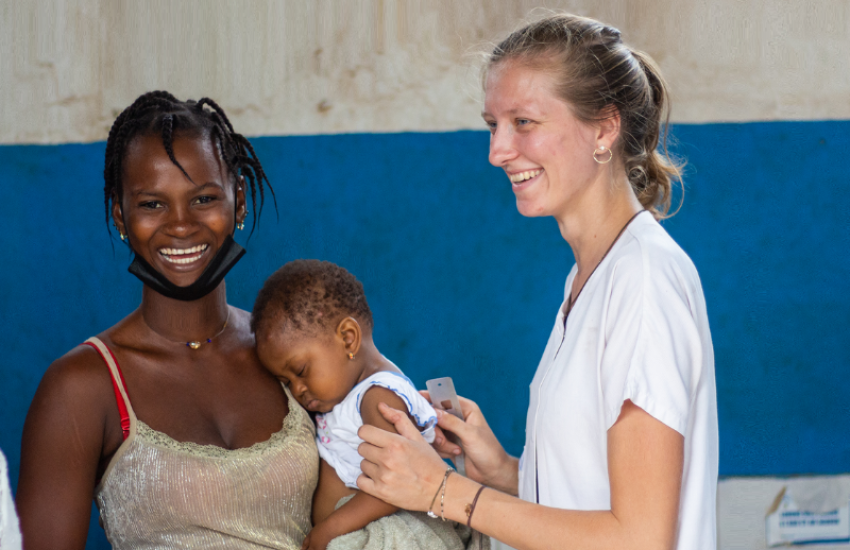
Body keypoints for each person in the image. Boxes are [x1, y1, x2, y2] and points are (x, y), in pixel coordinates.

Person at [355, 13, 718, 550]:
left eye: (523, 122)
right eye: (493, 125)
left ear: (604, 128)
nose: (497, 150)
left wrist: (443, 491)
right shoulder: (589, 276)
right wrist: (500, 469)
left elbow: (639, 537)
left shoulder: (642, 283)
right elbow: (587, 499)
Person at [16, 91, 318, 549]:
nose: (180, 224)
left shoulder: (291, 353)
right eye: (152, 204)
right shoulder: (81, 385)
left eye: (203, 198)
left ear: (238, 204)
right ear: (121, 216)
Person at [251, 259, 487, 550]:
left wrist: (330, 529)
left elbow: (399, 481)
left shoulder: (378, 398)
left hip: (394, 535)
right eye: (285, 382)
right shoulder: (343, 395)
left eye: (300, 371)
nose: (297, 389)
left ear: (348, 339)